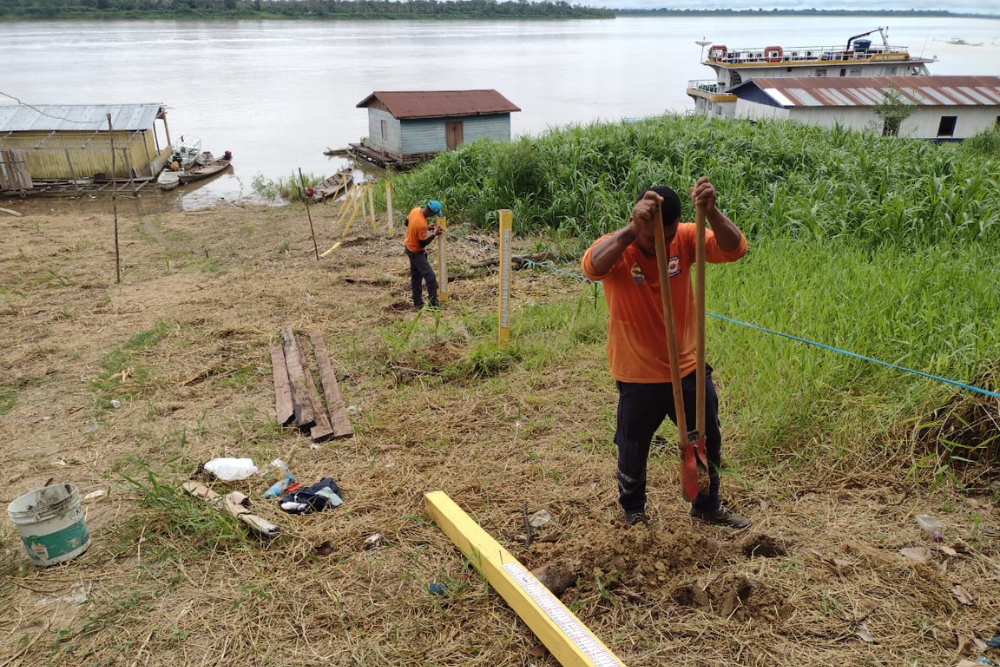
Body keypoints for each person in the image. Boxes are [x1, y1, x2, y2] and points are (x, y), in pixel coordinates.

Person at [581, 177, 750, 528]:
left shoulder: (688, 236)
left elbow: (735, 249)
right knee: (633, 447)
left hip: (687, 365)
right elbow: (592, 268)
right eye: (651, 237)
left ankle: (706, 504)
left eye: (667, 237)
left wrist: (712, 212)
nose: (661, 244)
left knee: (705, 438)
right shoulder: (620, 245)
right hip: (636, 373)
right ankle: (633, 511)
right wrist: (631, 232)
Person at [404, 200, 445, 309]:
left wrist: (427, 227)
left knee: (416, 276)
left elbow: (407, 223)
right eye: (434, 214)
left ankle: (417, 303)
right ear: (431, 213)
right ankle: (433, 305)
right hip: (416, 251)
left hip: (408, 246)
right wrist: (434, 234)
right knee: (430, 276)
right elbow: (422, 243)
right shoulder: (421, 224)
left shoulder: (415, 210)